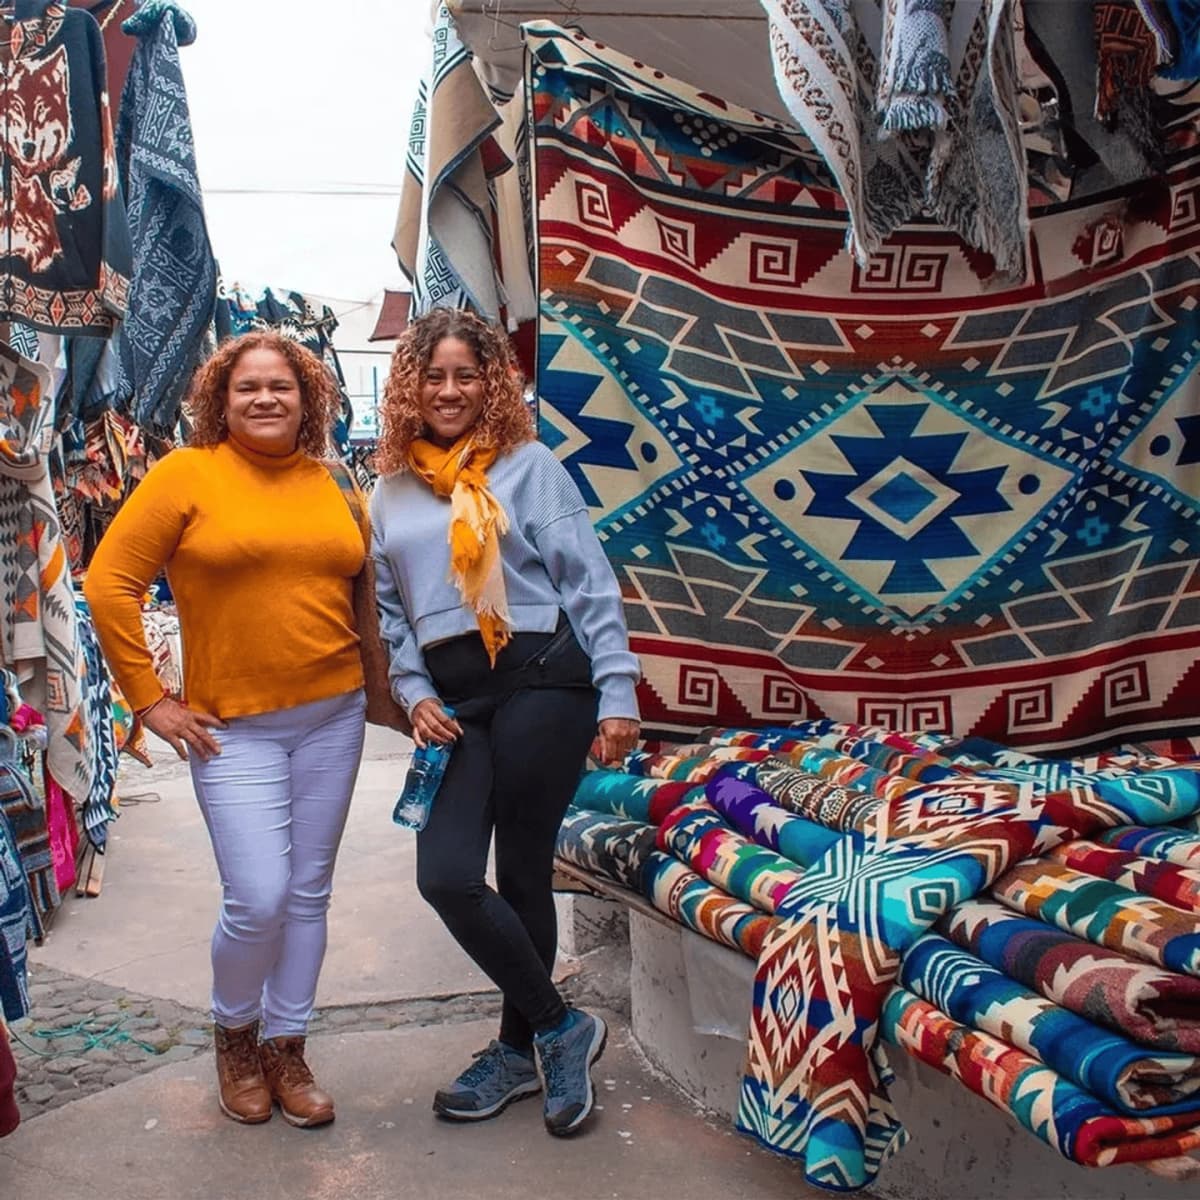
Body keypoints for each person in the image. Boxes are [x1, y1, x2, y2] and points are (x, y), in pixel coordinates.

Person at [84, 331, 371, 1130]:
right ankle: (236, 1035)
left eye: (283, 385)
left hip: (335, 714)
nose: (266, 398)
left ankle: (287, 1044)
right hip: (232, 731)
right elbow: (108, 584)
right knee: (258, 896)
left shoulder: (334, 480)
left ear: (309, 398)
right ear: (221, 397)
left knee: (307, 893)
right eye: (248, 386)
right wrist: (149, 701)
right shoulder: (188, 473)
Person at [371, 308, 641, 1137]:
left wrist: (618, 690)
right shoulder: (389, 493)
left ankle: (518, 1051)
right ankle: (562, 1026)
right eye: (434, 376)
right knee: (447, 874)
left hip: (544, 680)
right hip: (455, 704)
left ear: (492, 383)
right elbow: (392, 615)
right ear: (410, 387)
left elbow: (587, 580)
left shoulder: (529, 468)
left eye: (467, 374)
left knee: (522, 872)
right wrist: (413, 692)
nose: (450, 390)